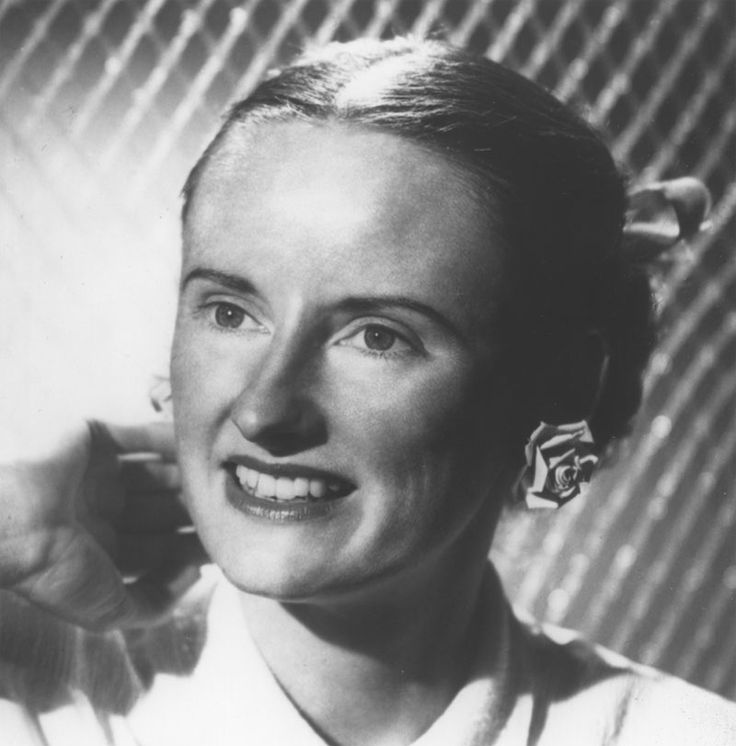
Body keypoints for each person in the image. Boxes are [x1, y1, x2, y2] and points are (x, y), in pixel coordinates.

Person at [0, 36, 733, 745]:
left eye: (379, 336)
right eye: (230, 312)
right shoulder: (26, 684)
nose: (263, 409)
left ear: (563, 386)